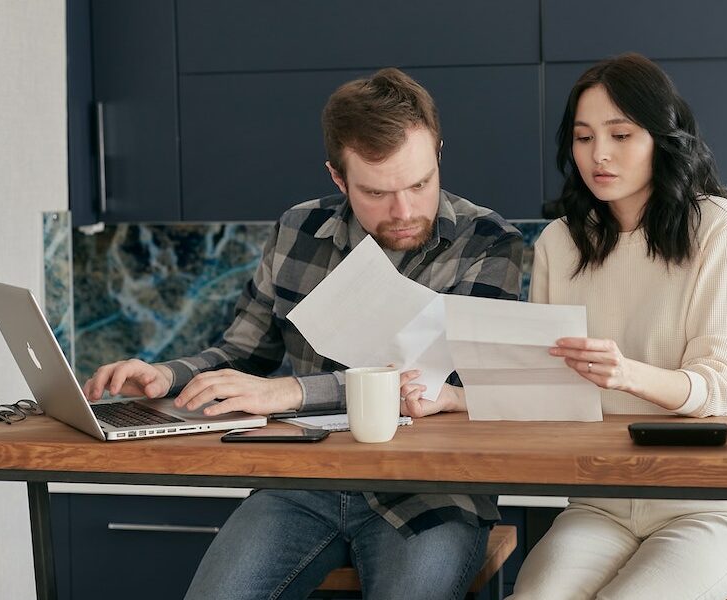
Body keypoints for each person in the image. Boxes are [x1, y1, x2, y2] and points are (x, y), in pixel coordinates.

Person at [82, 67, 524, 599]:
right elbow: (241, 351)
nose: (405, 211)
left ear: (438, 155)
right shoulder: (297, 230)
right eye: (377, 192)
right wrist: (164, 376)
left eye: (419, 183)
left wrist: (287, 393)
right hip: (303, 479)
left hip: (430, 491)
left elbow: (430, 386)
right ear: (338, 178)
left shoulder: (490, 242)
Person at [401, 53, 727, 599]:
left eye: (621, 134)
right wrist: (459, 399)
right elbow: (547, 388)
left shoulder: (714, 226)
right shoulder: (559, 242)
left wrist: (627, 375)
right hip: (599, 501)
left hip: (706, 504)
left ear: (661, 139)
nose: (598, 154)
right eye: (583, 137)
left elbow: (725, 387)